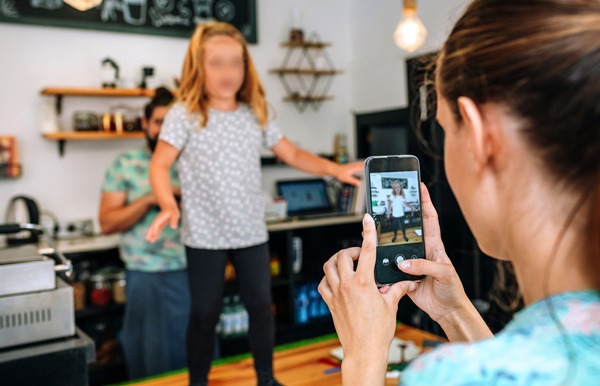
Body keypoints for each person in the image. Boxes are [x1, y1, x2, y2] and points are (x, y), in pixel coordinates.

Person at [319, 0, 600, 385]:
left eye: (447, 129)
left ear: (480, 138)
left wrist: (363, 355)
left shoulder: (445, 376)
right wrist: (454, 312)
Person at [144, 22, 363, 386]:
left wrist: (335, 169)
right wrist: (168, 204)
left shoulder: (254, 112)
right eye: (216, 62)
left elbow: (291, 152)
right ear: (198, 67)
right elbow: (160, 165)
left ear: (246, 67)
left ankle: (266, 379)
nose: (227, 72)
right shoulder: (184, 114)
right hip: (203, 233)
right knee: (204, 313)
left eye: (235, 62)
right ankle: (197, 382)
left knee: (261, 307)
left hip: (250, 230)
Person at [99, 87, 190, 380]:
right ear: (145, 124)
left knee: (193, 352)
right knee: (150, 358)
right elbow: (107, 222)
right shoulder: (124, 164)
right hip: (145, 274)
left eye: (171, 123)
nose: (165, 130)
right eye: (159, 122)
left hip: (192, 270)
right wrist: (152, 198)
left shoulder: (191, 163)